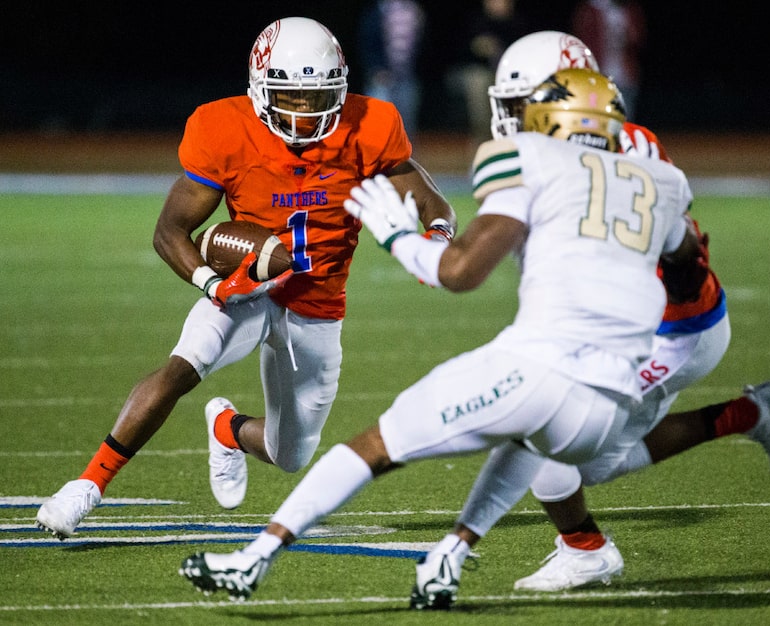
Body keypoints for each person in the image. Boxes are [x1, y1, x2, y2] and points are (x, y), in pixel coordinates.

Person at [179, 65, 709, 604]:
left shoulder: (531, 160)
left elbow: (458, 272)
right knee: (527, 438)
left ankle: (251, 561)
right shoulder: (662, 183)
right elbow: (688, 262)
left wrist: (397, 239)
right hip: (610, 402)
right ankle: (467, 554)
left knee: (375, 445)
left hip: (544, 366)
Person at [407, 31, 770, 604]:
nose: (512, 119)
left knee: (543, 432)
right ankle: (749, 411)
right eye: (510, 106)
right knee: (593, 463)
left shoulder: (599, 153)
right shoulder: (601, 143)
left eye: (522, 105)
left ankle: (585, 551)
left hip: (666, 331)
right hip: (641, 324)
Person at [35, 16, 456, 540]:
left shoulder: (371, 123)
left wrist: (437, 236)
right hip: (250, 285)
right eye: (290, 97)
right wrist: (214, 284)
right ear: (260, 86)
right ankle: (86, 487)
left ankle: (228, 429)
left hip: (319, 303)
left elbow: (426, 197)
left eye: (318, 96)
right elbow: (170, 232)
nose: (305, 112)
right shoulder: (223, 128)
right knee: (184, 365)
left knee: (291, 454)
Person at [449, 0, 531, 143]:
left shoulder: (519, 23)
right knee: (478, 81)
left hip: (511, 75)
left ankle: (519, 141)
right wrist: (482, 47)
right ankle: (482, 138)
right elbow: (466, 53)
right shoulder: (476, 21)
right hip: (481, 73)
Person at [357, 0, 426, 136]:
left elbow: (422, 44)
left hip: (407, 76)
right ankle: (378, 156)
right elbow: (366, 42)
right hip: (381, 79)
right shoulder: (376, 11)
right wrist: (376, 68)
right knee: (379, 122)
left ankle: (405, 156)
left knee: (406, 125)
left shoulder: (413, 11)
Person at [571, 0, 647, 119]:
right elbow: (582, 41)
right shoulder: (592, 10)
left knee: (625, 115)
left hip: (624, 74)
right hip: (598, 73)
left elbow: (637, 39)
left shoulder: (628, 10)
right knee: (597, 115)